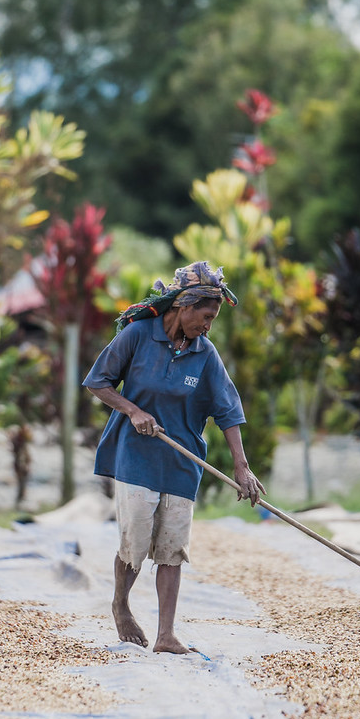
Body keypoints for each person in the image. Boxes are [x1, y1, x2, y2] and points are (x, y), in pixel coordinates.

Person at [82, 261, 265, 654]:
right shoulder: (138, 335)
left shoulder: (205, 353)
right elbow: (97, 381)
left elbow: (228, 410)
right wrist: (132, 410)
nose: (209, 325)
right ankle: (121, 604)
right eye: (205, 316)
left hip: (183, 463)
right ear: (183, 306)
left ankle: (166, 635)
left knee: (171, 547)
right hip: (136, 456)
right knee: (136, 541)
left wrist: (242, 467)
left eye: (214, 318)